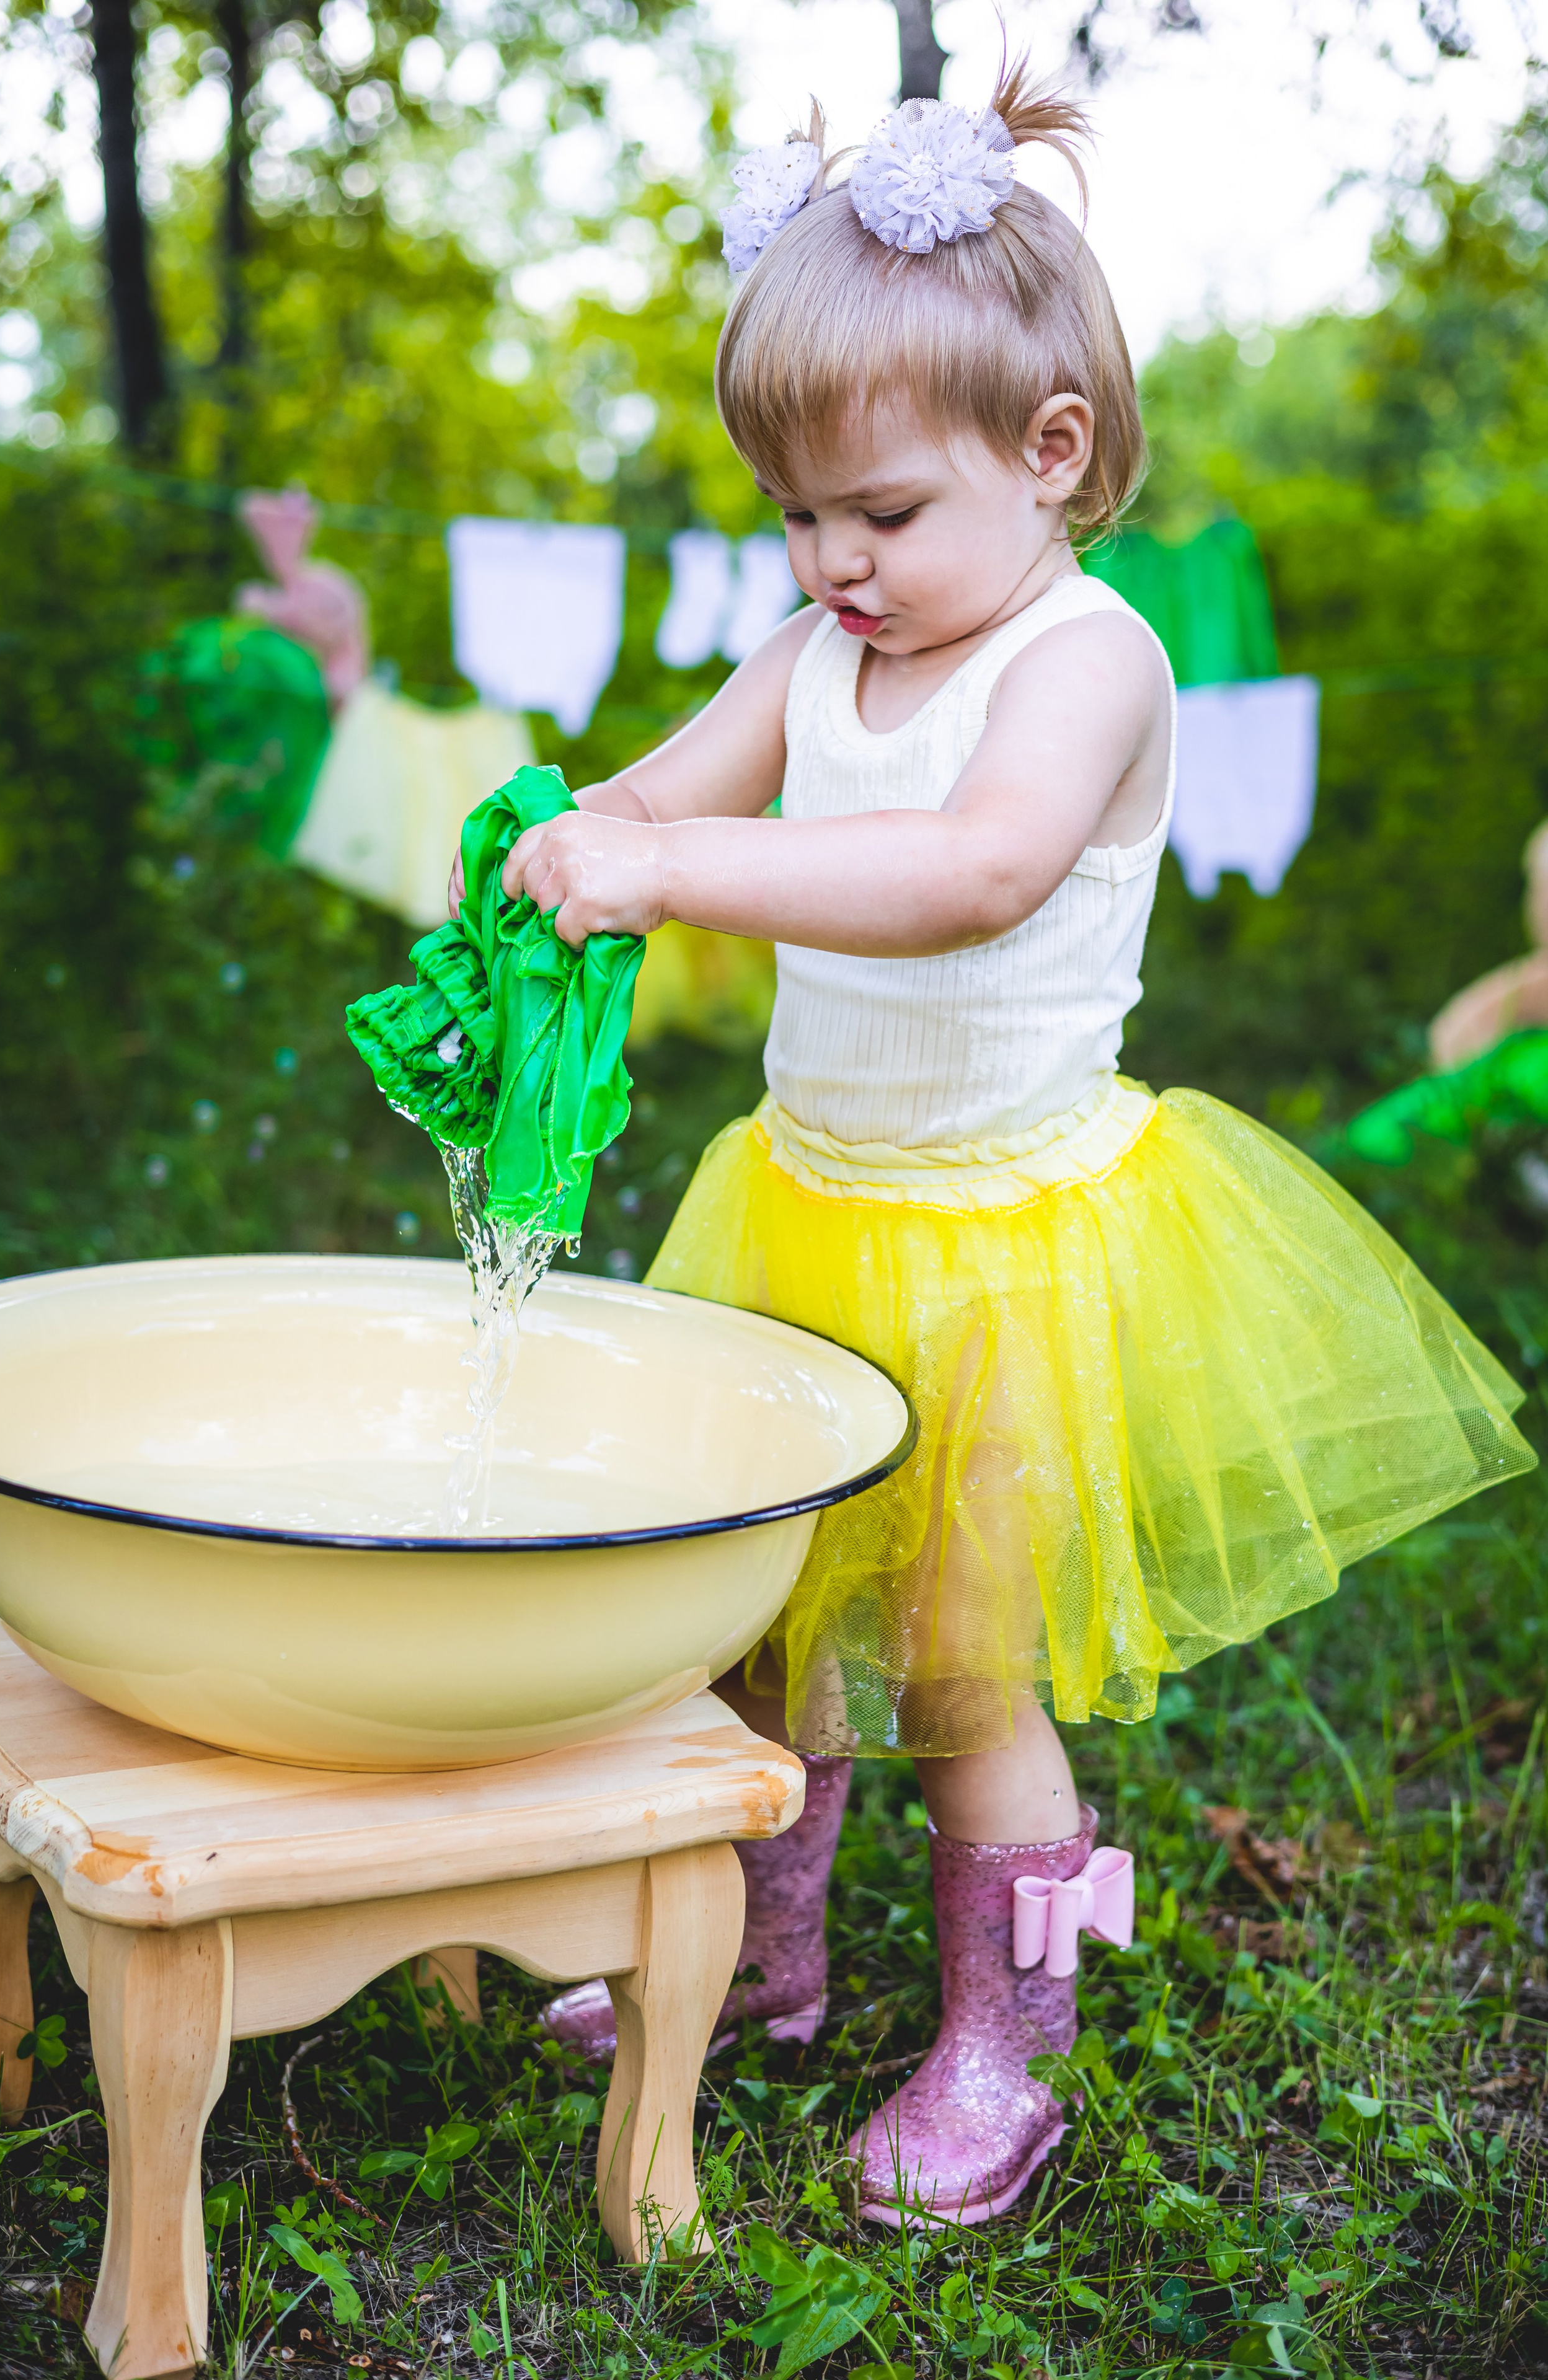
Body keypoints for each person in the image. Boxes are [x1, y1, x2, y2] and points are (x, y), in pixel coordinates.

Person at [451, 67, 1535, 2227]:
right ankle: (763, 1957)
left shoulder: (1086, 662)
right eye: (796, 517)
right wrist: (564, 839)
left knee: (962, 1669)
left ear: (1049, 454)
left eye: (878, 511)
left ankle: (1002, 2043)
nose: (831, 561)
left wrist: (677, 875)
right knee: (761, 1618)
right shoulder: (817, 645)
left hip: (1008, 1249)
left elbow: (969, 872)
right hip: (806, 1204)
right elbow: (664, 793)